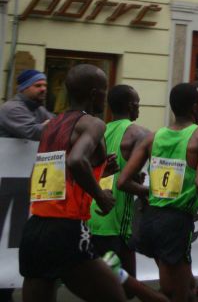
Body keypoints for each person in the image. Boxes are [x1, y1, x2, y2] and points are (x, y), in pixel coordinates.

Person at [18, 64, 126, 302]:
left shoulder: (52, 126)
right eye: (105, 91)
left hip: (35, 227)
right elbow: (77, 160)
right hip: (67, 228)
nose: (106, 98)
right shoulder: (93, 123)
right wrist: (101, 195)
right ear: (95, 94)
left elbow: (40, 176)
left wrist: (99, 171)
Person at [118, 83, 198, 302]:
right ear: (196, 107)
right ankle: (121, 277)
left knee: (175, 287)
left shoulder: (153, 137)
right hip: (176, 221)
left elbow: (123, 181)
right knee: (179, 296)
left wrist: (148, 191)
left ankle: (123, 278)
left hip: (150, 218)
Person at [87, 85, 169, 302]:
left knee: (113, 285)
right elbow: (124, 182)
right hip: (114, 219)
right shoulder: (138, 133)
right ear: (131, 106)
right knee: (122, 286)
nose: (139, 108)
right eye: (138, 104)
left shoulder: (100, 130)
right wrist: (147, 192)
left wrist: (134, 181)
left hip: (93, 214)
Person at [0, 69, 53, 140]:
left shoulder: (38, 108)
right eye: (38, 85)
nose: (43, 89)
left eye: (45, 85)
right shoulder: (12, 108)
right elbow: (35, 133)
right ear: (23, 88)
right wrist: (52, 124)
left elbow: (57, 122)